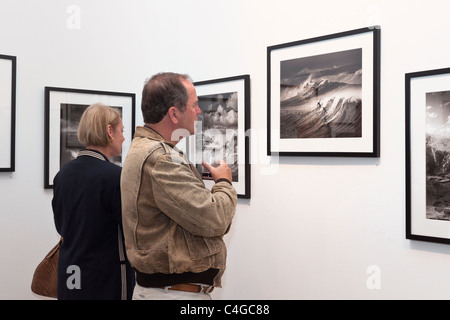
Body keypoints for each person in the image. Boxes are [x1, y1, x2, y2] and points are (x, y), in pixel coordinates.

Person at [121, 72, 237, 300]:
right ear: (174, 114)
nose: (199, 111)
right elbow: (216, 219)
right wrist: (224, 182)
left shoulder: (146, 149)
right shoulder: (161, 159)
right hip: (173, 295)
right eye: (194, 105)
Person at [52, 103, 135, 300]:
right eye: (121, 131)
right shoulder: (115, 176)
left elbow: (61, 225)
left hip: (70, 271)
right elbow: (131, 230)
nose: (124, 138)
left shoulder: (63, 174)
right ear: (109, 131)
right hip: (105, 278)